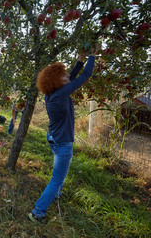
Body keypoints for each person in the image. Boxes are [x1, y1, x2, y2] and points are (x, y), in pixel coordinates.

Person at [28, 44, 101, 223]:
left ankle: (57, 192)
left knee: (58, 176)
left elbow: (72, 77)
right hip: (62, 143)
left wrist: (80, 60)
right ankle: (37, 213)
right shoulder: (60, 94)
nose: (68, 75)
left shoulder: (52, 94)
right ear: (57, 81)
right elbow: (85, 76)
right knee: (56, 179)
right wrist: (92, 56)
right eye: (63, 74)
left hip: (54, 138)